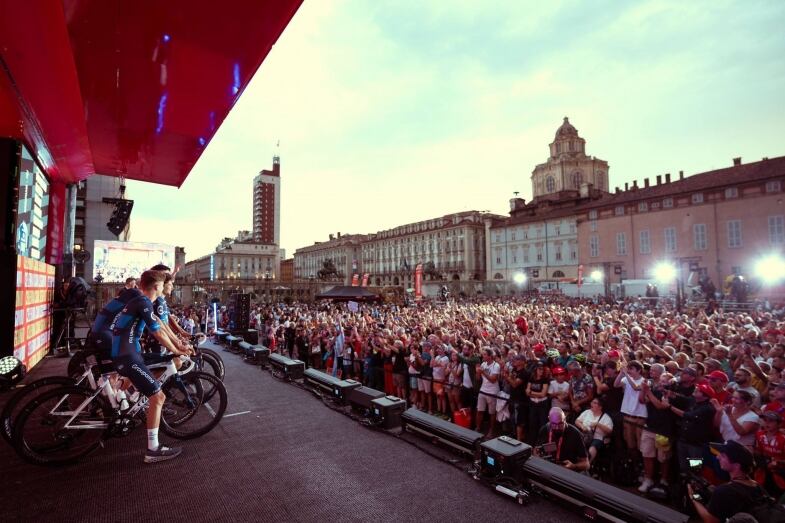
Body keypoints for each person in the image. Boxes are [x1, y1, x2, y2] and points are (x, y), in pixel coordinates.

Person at [110, 270, 192, 463]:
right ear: (156, 286)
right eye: (163, 285)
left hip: (129, 353)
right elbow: (158, 333)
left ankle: (126, 395)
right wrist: (176, 349)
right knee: (158, 397)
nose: (164, 288)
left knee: (162, 363)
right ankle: (153, 449)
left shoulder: (142, 302)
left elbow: (161, 325)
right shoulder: (144, 302)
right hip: (127, 356)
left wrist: (178, 345)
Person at [689, 440, 769, 523]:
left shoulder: (725, 491)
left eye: (723, 456)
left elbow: (710, 520)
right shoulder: (756, 485)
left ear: (737, 465)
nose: (717, 457)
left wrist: (694, 498)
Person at [535, 407, 589, 473]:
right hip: (548, 468)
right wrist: (538, 457)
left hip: (566, 472)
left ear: (565, 419)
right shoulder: (545, 430)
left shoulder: (575, 434)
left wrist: (574, 466)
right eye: (554, 424)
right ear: (549, 419)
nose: (557, 428)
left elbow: (586, 464)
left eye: (560, 423)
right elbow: (536, 450)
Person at [575, 398, 613, 464]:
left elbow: (609, 431)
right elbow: (577, 421)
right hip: (585, 435)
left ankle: (586, 464)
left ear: (600, 407)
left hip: (597, 438)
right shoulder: (587, 412)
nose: (591, 404)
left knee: (593, 447)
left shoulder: (606, 417)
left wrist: (598, 424)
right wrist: (582, 426)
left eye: (594, 403)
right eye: (592, 402)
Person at [475, 347, 500, 437]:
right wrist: (477, 372)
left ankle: (491, 430)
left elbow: (493, 380)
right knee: (479, 410)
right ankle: (478, 428)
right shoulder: (483, 364)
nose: (483, 356)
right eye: (483, 354)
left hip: (492, 392)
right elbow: (478, 379)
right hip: (483, 390)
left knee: (492, 413)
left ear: (490, 356)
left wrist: (482, 372)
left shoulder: (496, 366)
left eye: (485, 354)